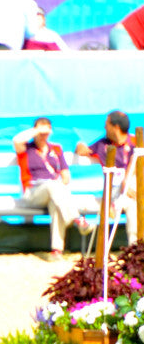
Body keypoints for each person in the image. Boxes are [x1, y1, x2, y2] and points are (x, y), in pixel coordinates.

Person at [13, 117, 92, 259]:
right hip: (32, 192)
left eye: (46, 130)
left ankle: (57, 250)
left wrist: (63, 180)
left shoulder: (56, 149)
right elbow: (17, 140)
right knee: (52, 185)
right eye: (41, 131)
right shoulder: (27, 149)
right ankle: (77, 219)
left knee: (56, 203)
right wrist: (37, 130)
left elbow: (65, 174)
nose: (44, 134)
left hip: (54, 191)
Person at [75, 111, 138, 245]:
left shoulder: (135, 142)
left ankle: (135, 247)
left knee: (132, 200)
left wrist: (126, 181)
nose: (104, 128)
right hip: (115, 192)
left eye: (106, 125)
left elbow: (138, 161)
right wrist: (80, 144)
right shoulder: (103, 144)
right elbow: (82, 151)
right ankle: (135, 248)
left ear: (115, 127)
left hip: (133, 189)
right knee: (131, 203)